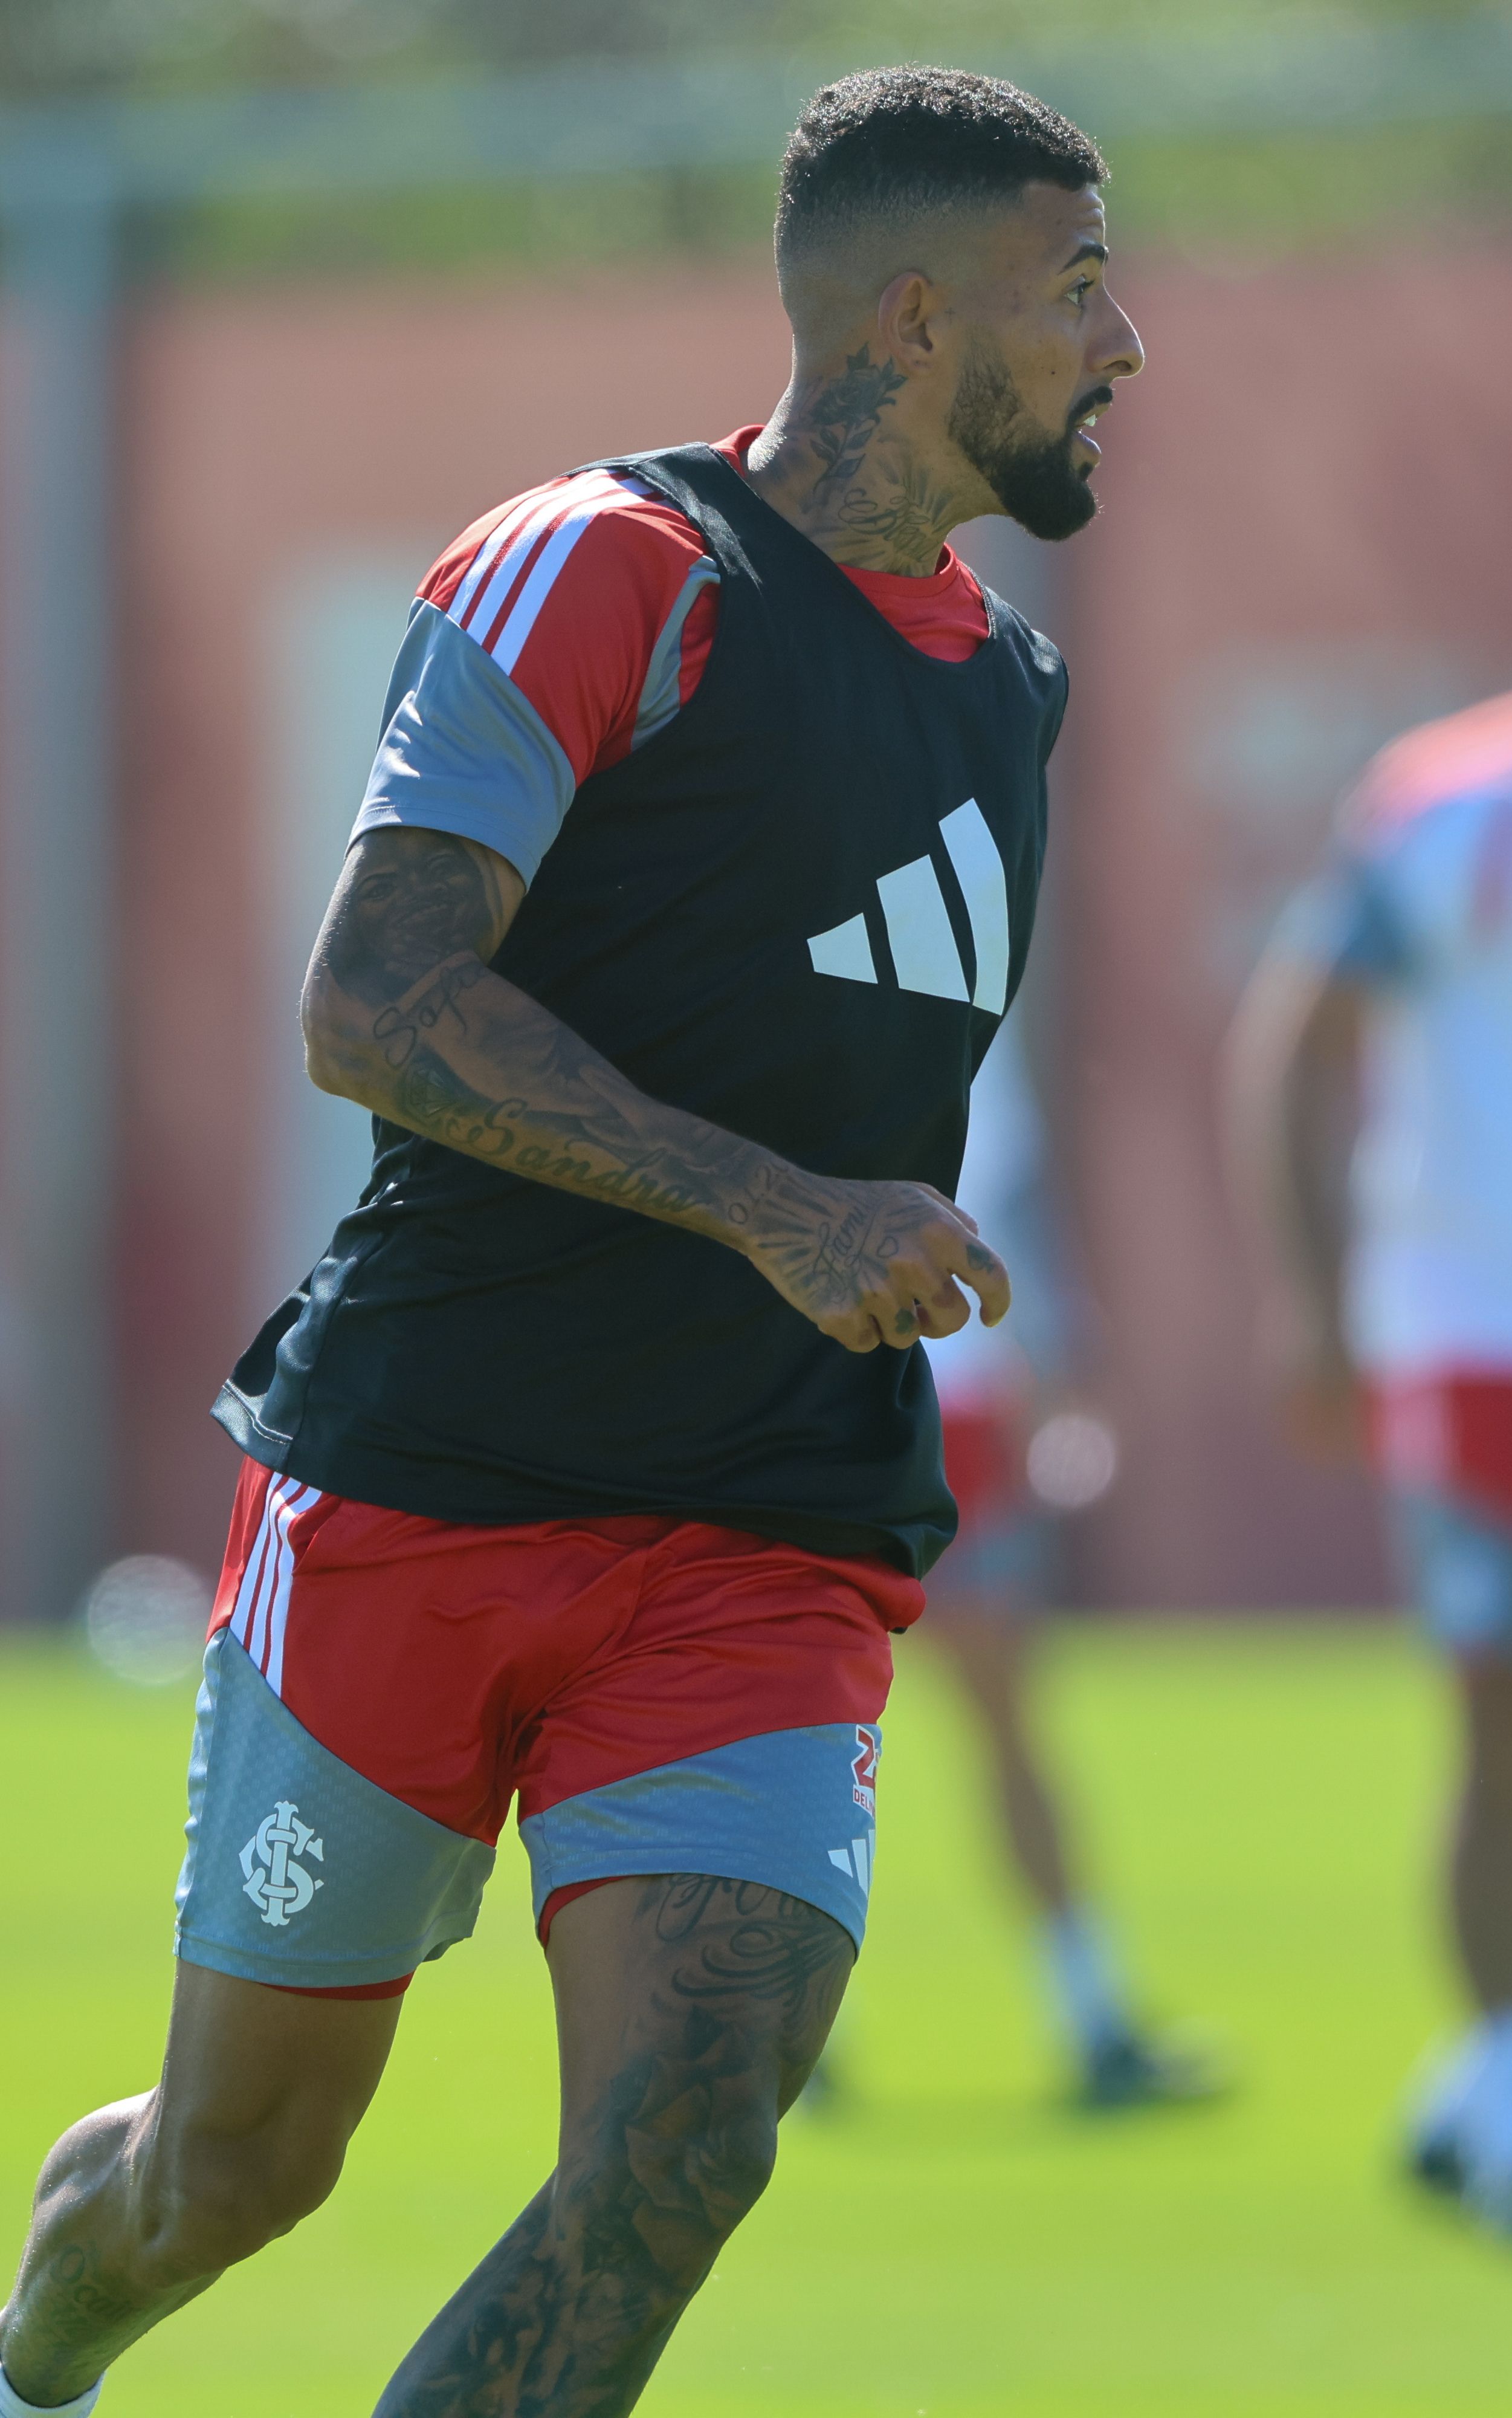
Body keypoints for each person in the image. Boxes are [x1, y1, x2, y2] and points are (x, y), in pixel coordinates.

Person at [0, 66, 1144, 2418]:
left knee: (680, 2148)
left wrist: (841, 1244)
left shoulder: (1013, 689)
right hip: (425, 1488)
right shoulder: (611, 565)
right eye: (1077, 287)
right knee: (226, 2174)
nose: (1122, 343)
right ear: (911, 320)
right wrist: (777, 1207)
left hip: (767, 1531)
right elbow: (371, 998)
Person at [1227, 478, 1512, 2243]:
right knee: (1500, 1710)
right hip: (1482, 1329)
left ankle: (1473, 2074)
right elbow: (1294, 1039)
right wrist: (1311, 1295)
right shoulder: (1450, 800)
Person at [922, 1006, 1221, 2107]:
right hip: (850, 1406)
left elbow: (1014, 1207)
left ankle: (1091, 2011)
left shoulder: (975, 1011)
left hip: (951, 1407)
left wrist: (1057, 1366)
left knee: (1001, 1721)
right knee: (796, 1726)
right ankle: (768, 2030)